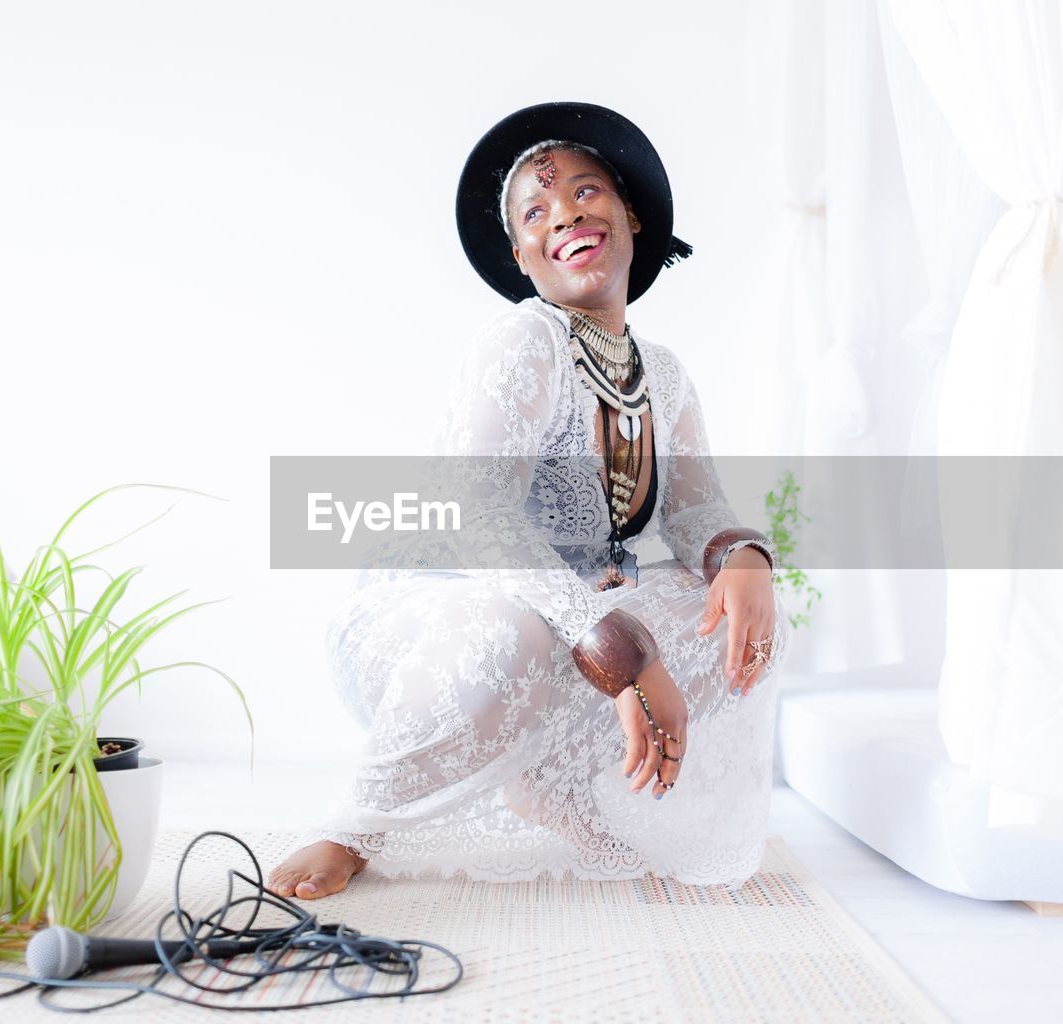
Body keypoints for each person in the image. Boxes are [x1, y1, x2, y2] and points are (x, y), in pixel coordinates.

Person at [268, 102, 790, 901]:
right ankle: (355, 824)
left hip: (562, 626)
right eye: (537, 210)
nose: (567, 214)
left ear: (631, 216)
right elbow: (477, 514)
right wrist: (625, 655)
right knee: (519, 628)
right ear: (520, 253)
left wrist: (743, 558)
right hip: (433, 628)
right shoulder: (522, 340)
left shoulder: (668, 375)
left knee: (729, 612)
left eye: (587, 193)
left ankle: (553, 787)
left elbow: (695, 514)